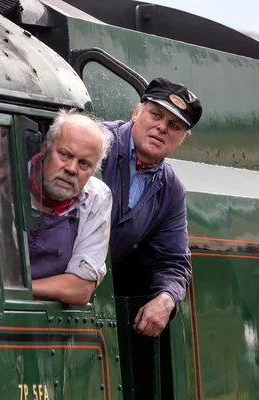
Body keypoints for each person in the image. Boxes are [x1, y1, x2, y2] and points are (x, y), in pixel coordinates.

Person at [101, 77, 203, 337]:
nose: (161, 128)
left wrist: (166, 298)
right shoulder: (97, 143)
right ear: (137, 112)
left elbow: (174, 261)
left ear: (184, 138)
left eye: (174, 125)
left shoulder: (171, 189)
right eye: (155, 115)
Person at [28, 110, 113, 306]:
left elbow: (80, 289)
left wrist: (7, 293)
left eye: (84, 164)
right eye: (64, 155)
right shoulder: (4, 177)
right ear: (45, 148)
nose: (71, 169)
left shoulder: (97, 198)